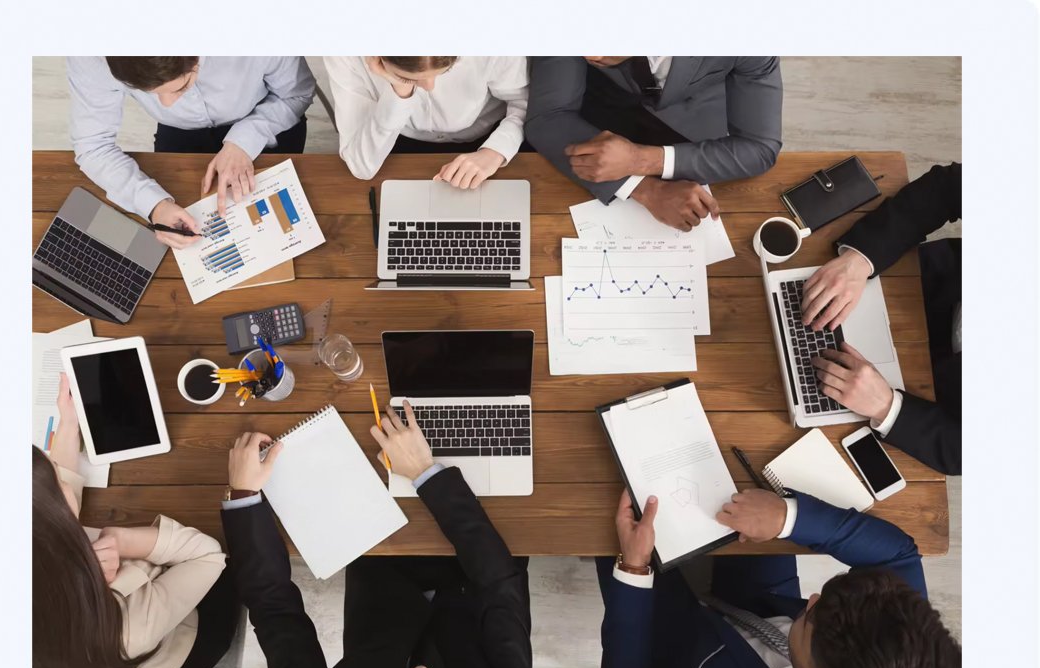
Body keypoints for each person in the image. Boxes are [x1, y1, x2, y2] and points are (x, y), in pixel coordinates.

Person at [220, 400, 532, 668]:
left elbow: (272, 607)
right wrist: (425, 473)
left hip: (377, 556)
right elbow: (500, 582)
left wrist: (243, 495)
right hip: (475, 568)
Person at [597, 487, 961, 668]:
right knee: (741, 485)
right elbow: (897, 556)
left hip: (679, 654)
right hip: (763, 604)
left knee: (604, 515)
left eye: (812, 614)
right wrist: (787, 519)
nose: (813, 596)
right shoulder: (917, 663)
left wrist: (633, 569)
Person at [32, 373, 236, 668]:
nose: (62, 478)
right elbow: (208, 556)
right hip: (184, 637)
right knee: (235, 560)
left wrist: (69, 421)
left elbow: (56, 487)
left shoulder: (36, 546)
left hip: (130, 606)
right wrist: (123, 540)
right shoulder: (125, 630)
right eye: (56, 484)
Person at [802, 163, 961, 474]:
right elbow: (947, 188)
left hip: (932, 399)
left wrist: (887, 408)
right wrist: (860, 259)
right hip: (920, 282)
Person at [67, 56, 316, 248]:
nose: (166, 104)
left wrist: (244, 140)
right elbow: (93, 146)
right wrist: (153, 205)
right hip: (180, 134)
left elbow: (297, 93)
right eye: (150, 94)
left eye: (181, 86)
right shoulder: (92, 53)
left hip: (268, 119)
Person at [526, 56, 783, 231]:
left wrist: (641, 160)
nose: (591, 52)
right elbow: (549, 118)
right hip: (598, 105)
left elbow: (759, 147)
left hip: (694, 121)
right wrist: (646, 189)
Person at [324, 56, 529, 185]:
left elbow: (523, 101)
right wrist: (400, 90)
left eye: (445, 72)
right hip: (395, 143)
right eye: (408, 76)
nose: (429, 86)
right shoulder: (345, 56)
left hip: (489, 138)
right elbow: (362, 166)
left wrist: (495, 152)